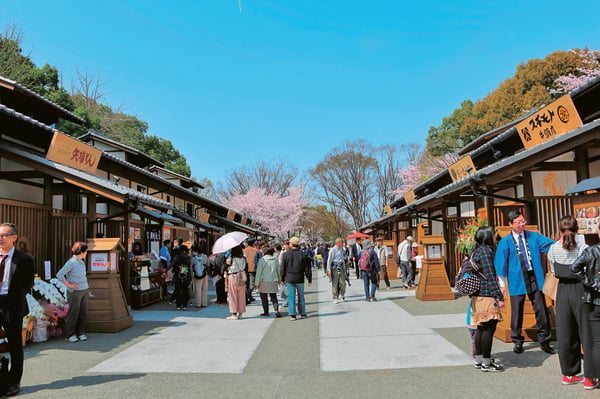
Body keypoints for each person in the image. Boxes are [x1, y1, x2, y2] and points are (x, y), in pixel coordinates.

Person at [494, 210, 556, 354]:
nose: (522, 224)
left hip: (534, 276)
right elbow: (500, 263)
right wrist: (502, 284)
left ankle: (544, 340)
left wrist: (566, 244)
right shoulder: (505, 242)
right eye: (519, 222)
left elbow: (550, 245)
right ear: (510, 224)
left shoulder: (533, 236)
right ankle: (517, 340)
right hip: (517, 278)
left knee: (541, 309)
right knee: (516, 310)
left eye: (523, 221)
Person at [548, 215, 595, 388]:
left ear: (559, 230)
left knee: (566, 333)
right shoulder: (584, 248)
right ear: (577, 231)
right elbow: (590, 270)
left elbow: (554, 272)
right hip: (582, 290)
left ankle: (568, 374)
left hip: (562, 292)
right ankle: (590, 377)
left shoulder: (553, 249)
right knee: (587, 334)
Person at [0, 223, 34, 397]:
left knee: (14, 344)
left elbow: (28, 283)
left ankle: (14, 381)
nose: (0, 238)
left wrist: (14, 297)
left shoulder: (24, 259)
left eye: (4, 235)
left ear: (14, 237)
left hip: (12, 306)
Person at [569, 224, 600, 390]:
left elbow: (574, 267)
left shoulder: (591, 251)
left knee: (596, 342)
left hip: (595, 300)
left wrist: (593, 283)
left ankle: (595, 378)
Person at [470, 226, 505, 372]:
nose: (495, 237)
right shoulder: (486, 252)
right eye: (493, 235)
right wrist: (499, 296)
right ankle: (486, 362)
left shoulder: (476, 251)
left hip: (477, 296)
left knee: (481, 328)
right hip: (486, 295)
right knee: (489, 329)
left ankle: (479, 360)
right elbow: (490, 276)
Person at [57, 241, 90, 343]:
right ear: (82, 252)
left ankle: (81, 332)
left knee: (83, 312)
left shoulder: (81, 262)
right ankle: (70, 334)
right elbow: (60, 274)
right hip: (74, 291)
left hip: (84, 289)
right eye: (86, 251)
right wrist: (69, 285)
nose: (86, 253)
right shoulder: (71, 262)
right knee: (73, 313)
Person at [281, 236, 312, 320]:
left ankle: (293, 314)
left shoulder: (286, 254)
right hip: (300, 278)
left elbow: (283, 267)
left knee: (291, 297)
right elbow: (307, 268)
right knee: (301, 296)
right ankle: (302, 313)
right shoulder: (302, 254)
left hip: (290, 278)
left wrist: (282, 278)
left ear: (291, 244)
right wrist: (309, 278)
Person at [255, 246, 281, 317]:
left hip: (264, 281)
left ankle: (266, 312)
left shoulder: (261, 260)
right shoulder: (275, 260)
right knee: (273, 296)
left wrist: (256, 283)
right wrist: (280, 280)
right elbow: (278, 271)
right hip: (273, 280)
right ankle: (276, 310)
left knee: (264, 297)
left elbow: (259, 273)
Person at [225, 245, 247, 320]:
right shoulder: (243, 258)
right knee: (241, 295)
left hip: (233, 276)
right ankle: (240, 312)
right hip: (241, 276)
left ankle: (234, 313)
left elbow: (227, 264)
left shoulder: (231, 258)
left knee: (233, 295)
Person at [170, 245, 192, 310]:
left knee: (177, 290)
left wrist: (166, 271)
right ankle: (184, 304)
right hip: (186, 275)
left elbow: (171, 264)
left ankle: (178, 305)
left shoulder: (177, 257)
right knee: (185, 290)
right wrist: (190, 276)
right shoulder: (188, 258)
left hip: (177, 275)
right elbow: (189, 268)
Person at [327, 238, 348, 304]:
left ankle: (342, 294)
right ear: (338, 243)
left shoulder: (342, 250)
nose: (342, 244)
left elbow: (343, 259)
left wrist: (345, 269)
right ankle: (335, 297)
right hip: (335, 267)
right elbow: (329, 260)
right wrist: (328, 270)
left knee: (343, 283)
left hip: (341, 267)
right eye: (341, 242)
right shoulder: (332, 250)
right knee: (335, 283)